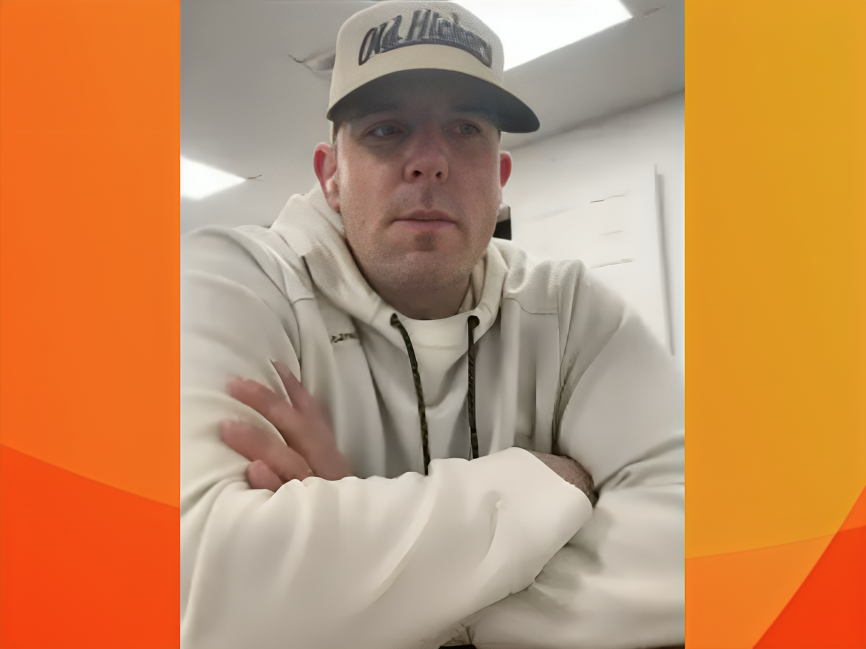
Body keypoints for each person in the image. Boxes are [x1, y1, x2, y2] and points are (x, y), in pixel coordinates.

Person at [180, 2, 684, 648]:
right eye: (387, 130)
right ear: (331, 176)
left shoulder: (570, 310)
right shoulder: (234, 281)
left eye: (466, 128)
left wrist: (362, 588)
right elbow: (197, 587)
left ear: (500, 181)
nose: (428, 161)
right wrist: (545, 482)